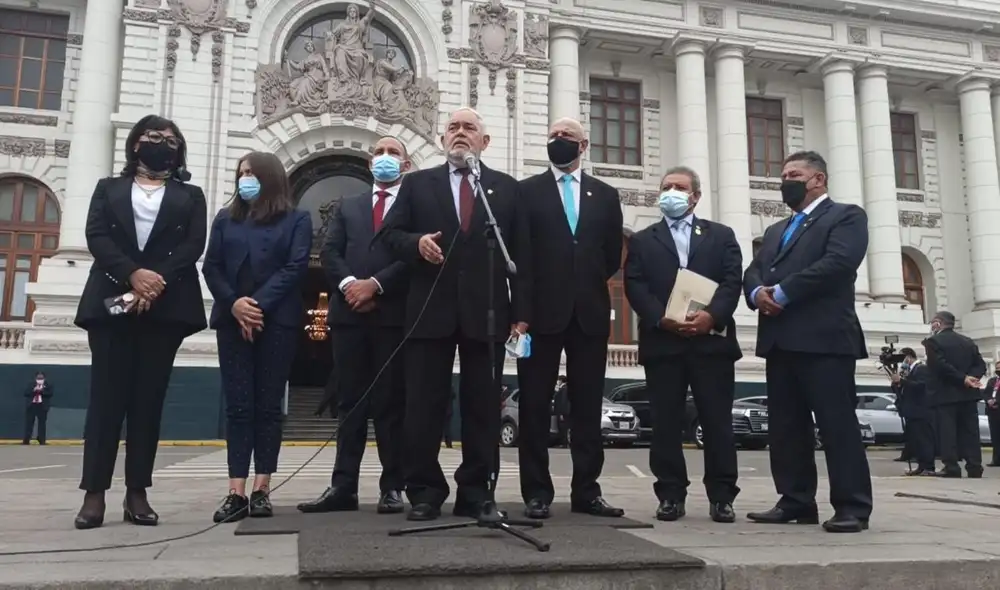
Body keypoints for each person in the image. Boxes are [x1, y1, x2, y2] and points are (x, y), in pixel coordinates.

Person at [379, 107, 531, 522]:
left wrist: (521, 314)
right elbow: (389, 235)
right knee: (424, 405)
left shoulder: (505, 189)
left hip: (487, 314)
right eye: (453, 128)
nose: (460, 133)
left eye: (469, 128)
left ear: (485, 141)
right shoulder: (416, 184)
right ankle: (425, 491)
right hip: (430, 311)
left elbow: (521, 256)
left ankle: (476, 491)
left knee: (483, 405)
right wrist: (416, 244)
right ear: (442, 139)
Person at [73, 115, 208, 529]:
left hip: (164, 307)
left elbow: (192, 245)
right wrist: (133, 275)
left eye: (169, 139)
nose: (160, 144)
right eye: (153, 137)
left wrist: (153, 283)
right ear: (135, 144)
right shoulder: (108, 189)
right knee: (106, 403)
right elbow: (97, 236)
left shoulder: (191, 195)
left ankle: (137, 493)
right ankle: (94, 494)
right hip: (112, 303)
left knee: (148, 403)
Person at [742, 150, 872, 534]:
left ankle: (852, 506)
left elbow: (837, 264)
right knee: (785, 428)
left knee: (836, 426)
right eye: (783, 174)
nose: (786, 181)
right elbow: (754, 270)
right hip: (780, 342)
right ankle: (795, 501)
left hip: (825, 340)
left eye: (794, 174)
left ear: (818, 179)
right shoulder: (776, 230)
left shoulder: (846, 216)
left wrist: (781, 293)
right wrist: (756, 294)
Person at [514, 117, 624, 519]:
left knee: (587, 407)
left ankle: (587, 492)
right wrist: (520, 313)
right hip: (538, 316)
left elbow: (611, 256)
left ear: (584, 145)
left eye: (567, 137)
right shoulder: (525, 192)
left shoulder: (606, 195)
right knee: (534, 406)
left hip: (590, 315)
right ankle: (537, 493)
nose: (559, 142)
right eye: (553, 136)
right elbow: (520, 258)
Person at [297, 136, 410, 516]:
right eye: (378, 152)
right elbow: (330, 252)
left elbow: (413, 258)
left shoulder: (415, 208)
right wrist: (350, 287)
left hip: (392, 318)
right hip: (349, 317)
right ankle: (342, 487)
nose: (384, 158)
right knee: (350, 404)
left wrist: (375, 285)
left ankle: (393, 487)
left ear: (406, 165)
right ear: (369, 164)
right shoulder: (350, 206)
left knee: (391, 405)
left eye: (393, 153)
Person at [624, 166, 743, 523]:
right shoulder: (643, 240)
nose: (671, 192)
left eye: (679, 187)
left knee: (717, 422)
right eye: (666, 187)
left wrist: (712, 317)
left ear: (695, 196)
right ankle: (670, 494)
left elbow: (731, 280)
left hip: (711, 344)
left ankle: (722, 496)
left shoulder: (721, 235)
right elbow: (635, 285)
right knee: (664, 423)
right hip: (664, 344)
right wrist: (662, 318)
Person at [203, 151, 311, 523]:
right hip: (232, 322)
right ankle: (235, 491)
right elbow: (211, 266)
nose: (244, 178)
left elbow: (296, 266)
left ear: (270, 177)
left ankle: (262, 488)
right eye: (240, 173)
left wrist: (257, 306)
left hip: (276, 321)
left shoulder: (297, 219)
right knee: (238, 407)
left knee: (267, 408)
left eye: (251, 172)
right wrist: (235, 305)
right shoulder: (224, 218)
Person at [922, 310, 986, 478]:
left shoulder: (933, 342)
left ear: (937, 323)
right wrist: (971, 379)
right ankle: (974, 466)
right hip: (968, 395)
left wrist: (962, 379)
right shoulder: (968, 341)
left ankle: (951, 467)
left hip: (945, 395)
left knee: (947, 432)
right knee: (971, 432)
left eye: (932, 323)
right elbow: (980, 365)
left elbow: (939, 366)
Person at [891, 347, 935, 475]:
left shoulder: (921, 368)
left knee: (924, 439)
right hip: (911, 410)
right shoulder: (908, 371)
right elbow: (903, 390)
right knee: (916, 440)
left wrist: (903, 381)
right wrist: (898, 383)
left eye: (902, 359)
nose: (902, 363)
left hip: (920, 410)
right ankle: (921, 465)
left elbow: (920, 386)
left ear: (909, 357)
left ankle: (928, 466)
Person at [22, 371, 54, 445]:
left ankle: (41, 439)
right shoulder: (31, 384)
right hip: (32, 405)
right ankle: (26, 439)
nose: (39, 379)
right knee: (29, 423)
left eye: (41, 378)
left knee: (42, 424)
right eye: (38, 378)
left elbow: (50, 393)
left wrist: (42, 390)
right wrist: (34, 390)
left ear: (44, 378)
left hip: (42, 406)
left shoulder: (48, 385)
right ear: (35, 378)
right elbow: (26, 393)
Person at [983, 366, 1000, 467]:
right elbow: (985, 393)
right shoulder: (992, 381)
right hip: (992, 413)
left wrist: (997, 401)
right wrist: (988, 400)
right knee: (995, 437)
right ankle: (996, 459)